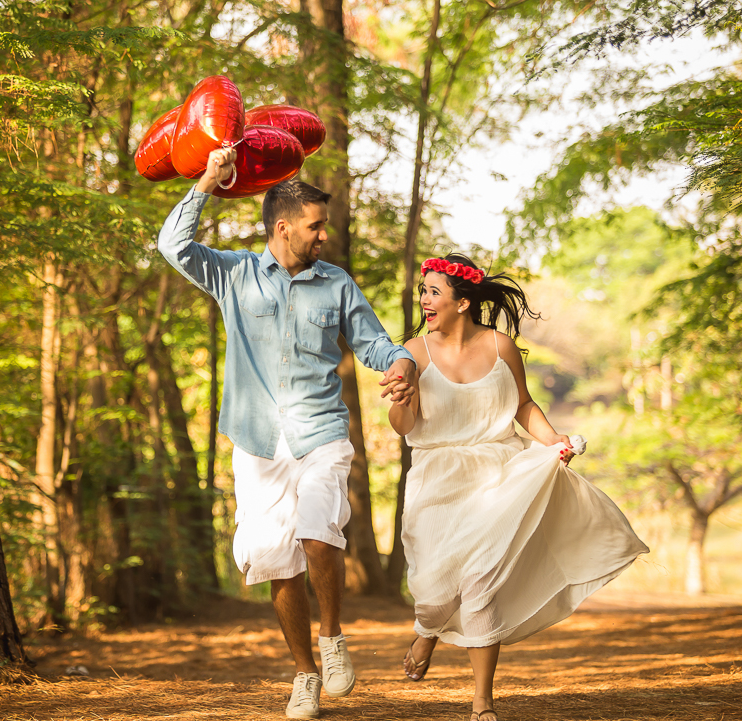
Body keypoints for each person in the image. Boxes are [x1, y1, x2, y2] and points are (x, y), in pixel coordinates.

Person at [158, 148, 420, 719]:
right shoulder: (234, 274)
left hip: (320, 430)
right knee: (276, 559)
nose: (324, 235)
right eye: (316, 225)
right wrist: (206, 181)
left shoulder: (337, 283)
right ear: (284, 227)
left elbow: (375, 343)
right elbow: (172, 247)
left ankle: (332, 638)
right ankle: (304, 675)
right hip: (256, 440)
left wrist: (401, 364)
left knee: (319, 533)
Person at [387, 254, 649, 721]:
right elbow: (403, 425)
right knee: (434, 592)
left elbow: (523, 405)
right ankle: (426, 630)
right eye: (423, 291)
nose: (424, 300)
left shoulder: (500, 346)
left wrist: (554, 441)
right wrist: (402, 399)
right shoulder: (414, 352)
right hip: (436, 477)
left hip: (497, 473)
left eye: (434, 292)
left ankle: (482, 702)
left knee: (481, 582)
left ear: (462, 302)